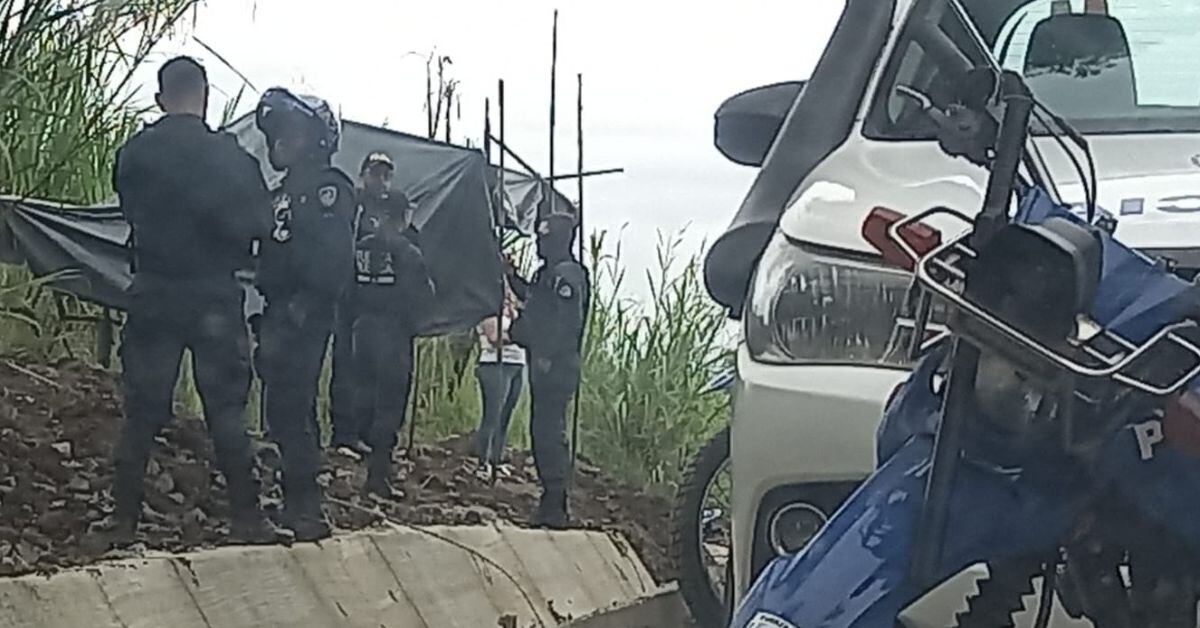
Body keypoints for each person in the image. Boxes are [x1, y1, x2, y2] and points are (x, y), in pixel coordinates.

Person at [110, 56, 284, 545]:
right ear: (205, 97)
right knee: (227, 409)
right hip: (213, 296)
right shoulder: (233, 159)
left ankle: (122, 519)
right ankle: (247, 518)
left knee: (143, 408)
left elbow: (129, 208)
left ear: (161, 98)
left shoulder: (136, 153)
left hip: (155, 291)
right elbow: (261, 226)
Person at [253, 87, 356, 541]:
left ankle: (306, 507)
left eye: (290, 130)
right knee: (282, 408)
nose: (280, 140)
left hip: (304, 313)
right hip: (277, 311)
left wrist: (301, 309)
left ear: (316, 137)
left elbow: (332, 261)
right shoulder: (283, 192)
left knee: (295, 404)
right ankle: (293, 498)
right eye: (277, 131)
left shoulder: (328, 188)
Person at [345, 151, 434, 499]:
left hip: (361, 331)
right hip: (393, 337)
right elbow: (424, 299)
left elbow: (347, 290)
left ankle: (365, 458)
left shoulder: (362, 248)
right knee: (389, 406)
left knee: (364, 398)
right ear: (403, 216)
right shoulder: (408, 253)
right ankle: (378, 477)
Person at [328, 151, 417, 457]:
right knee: (346, 368)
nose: (380, 180)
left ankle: (369, 435)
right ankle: (344, 433)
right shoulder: (350, 204)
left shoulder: (394, 213)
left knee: (376, 376)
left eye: (386, 174)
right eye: (375, 173)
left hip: (380, 309)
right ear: (363, 173)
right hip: (348, 299)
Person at [508, 213, 590, 528]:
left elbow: (563, 324)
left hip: (555, 366)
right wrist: (513, 278)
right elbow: (536, 302)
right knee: (541, 432)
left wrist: (545, 352)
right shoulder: (549, 273)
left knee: (549, 434)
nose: (539, 244)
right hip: (545, 364)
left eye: (544, 238)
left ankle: (555, 504)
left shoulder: (567, 275)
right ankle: (550, 501)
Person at [473, 276, 526, 480]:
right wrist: (520, 336)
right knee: (492, 415)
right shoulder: (488, 311)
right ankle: (483, 462)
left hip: (516, 364)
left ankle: (497, 457)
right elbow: (494, 337)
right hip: (495, 364)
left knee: (506, 415)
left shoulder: (513, 313)